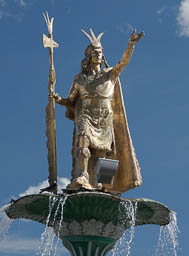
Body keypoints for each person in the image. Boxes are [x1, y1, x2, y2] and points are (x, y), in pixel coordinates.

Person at [53, 28, 143, 192]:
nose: (97, 54)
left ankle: (104, 184)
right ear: (89, 56)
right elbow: (71, 100)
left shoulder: (110, 74)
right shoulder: (80, 79)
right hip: (86, 114)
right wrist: (58, 99)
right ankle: (83, 175)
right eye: (94, 52)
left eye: (100, 52)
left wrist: (130, 45)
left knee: (104, 153)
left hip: (104, 116)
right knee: (83, 140)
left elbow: (123, 63)